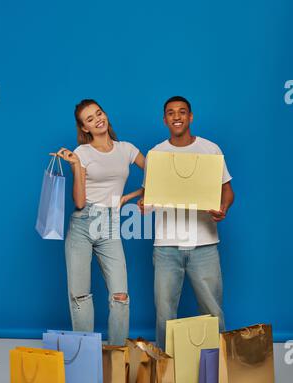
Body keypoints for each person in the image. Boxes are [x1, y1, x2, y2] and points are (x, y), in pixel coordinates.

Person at [138, 96, 234, 350]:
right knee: (164, 315)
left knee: (212, 311)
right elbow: (148, 196)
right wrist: (143, 205)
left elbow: (227, 191)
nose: (177, 116)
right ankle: (167, 376)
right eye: (171, 113)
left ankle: (217, 374)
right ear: (164, 119)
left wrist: (223, 208)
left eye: (182, 112)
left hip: (204, 244)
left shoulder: (210, 149)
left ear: (191, 117)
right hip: (166, 246)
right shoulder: (156, 154)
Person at [51, 99, 145, 345]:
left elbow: (158, 173)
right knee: (80, 296)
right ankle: (84, 357)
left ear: (105, 114)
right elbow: (80, 201)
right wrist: (76, 166)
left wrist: (132, 196)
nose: (97, 119)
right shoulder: (81, 153)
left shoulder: (127, 149)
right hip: (83, 223)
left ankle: (116, 357)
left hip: (111, 223)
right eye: (90, 119)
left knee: (121, 296)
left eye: (99, 113)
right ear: (85, 129)